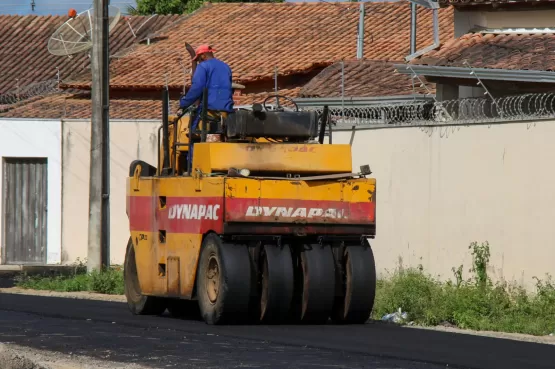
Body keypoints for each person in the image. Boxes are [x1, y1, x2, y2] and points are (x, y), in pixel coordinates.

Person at [178, 44, 234, 130]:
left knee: (192, 132)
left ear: (203, 56)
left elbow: (197, 88)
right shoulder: (226, 67)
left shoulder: (203, 66)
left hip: (209, 110)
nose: (199, 62)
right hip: (226, 111)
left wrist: (184, 103)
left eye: (199, 59)